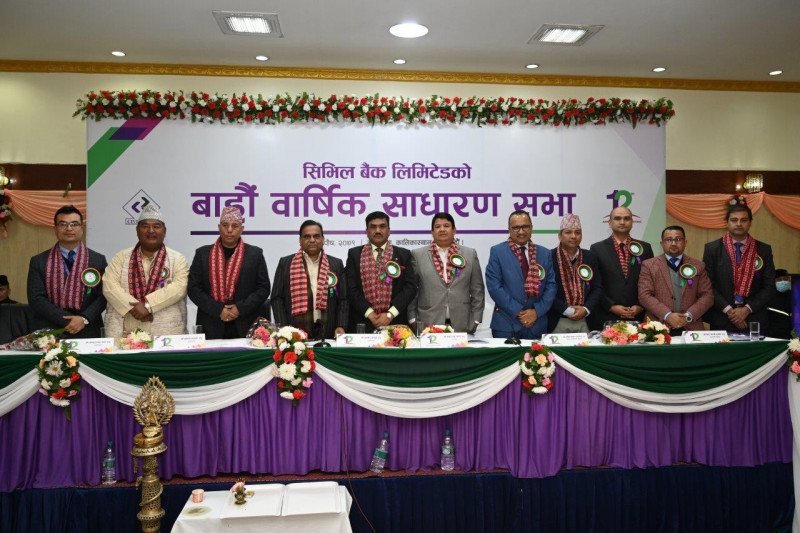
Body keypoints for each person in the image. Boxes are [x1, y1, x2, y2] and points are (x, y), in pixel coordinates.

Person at [103, 204, 189, 338]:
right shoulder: (121, 257)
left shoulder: (177, 259)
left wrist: (148, 306)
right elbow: (109, 286)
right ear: (137, 230)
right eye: (145, 226)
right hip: (124, 333)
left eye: (156, 226)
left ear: (164, 231)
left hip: (166, 333)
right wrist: (134, 307)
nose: (150, 230)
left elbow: (179, 288)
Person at [187, 206, 271, 339]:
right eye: (225, 225)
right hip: (211, 324)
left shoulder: (255, 254)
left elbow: (263, 288)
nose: (229, 230)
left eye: (235, 226)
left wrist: (240, 308)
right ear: (219, 227)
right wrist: (218, 310)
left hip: (247, 325)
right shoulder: (202, 254)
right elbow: (193, 289)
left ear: (242, 229)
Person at [26, 205, 107, 337]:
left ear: (82, 228)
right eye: (63, 224)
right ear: (55, 229)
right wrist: (67, 320)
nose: (69, 228)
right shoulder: (39, 261)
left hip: (88, 328)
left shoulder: (98, 260)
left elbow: (104, 295)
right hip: (51, 329)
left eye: (74, 224)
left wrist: (84, 319)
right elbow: (36, 299)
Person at [703, 203, 775, 333]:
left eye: (744, 220)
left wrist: (747, 309)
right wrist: (730, 311)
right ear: (727, 222)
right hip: (723, 318)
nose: (739, 224)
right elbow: (708, 285)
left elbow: (769, 286)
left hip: (754, 318)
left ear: (750, 222)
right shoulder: (712, 249)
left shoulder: (763, 250)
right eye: (734, 220)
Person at [408, 212, 485, 333]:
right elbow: (412, 289)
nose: (442, 229)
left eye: (446, 226)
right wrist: (412, 318)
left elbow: (477, 289)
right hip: (428, 322)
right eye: (438, 226)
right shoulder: (417, 255)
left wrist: (476, 319)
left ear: (454, 230)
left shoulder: (470, 254)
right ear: (432, 232)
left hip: (463, 323)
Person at [272, 220, 348, 339]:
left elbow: (343, 299)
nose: (312, 240)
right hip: (294, 333)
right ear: (300, 240)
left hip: (329, 331)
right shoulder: (285, 263)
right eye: (307, 236)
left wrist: (341, 325)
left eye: (316, 236)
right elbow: (277, 298)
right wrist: (284, 328)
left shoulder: (336, 264)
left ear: (323, 239)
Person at [486, 209, 556, 339]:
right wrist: (519, 311)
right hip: (506, 324)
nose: (521, 231)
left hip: (537, 323)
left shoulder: (544, 253)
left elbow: (551, 286)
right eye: (516, 228)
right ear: (509, 229)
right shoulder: (497, 252)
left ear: (531, 228)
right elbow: (494, 287)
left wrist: (536, 312)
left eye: (525, 226)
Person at [345, 211, 417, 332]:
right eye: (373, 227)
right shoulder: (354, 254)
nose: (378, 230)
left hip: (395, 322)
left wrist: (390, 314)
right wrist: (369, 313)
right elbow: (351, 288)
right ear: (367, 231)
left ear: (389, 231)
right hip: (363, 323)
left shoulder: (403, 254)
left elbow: (410, 287)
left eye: (382, 226)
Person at [638, 225, 713, 332]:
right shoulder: (649, 265)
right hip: (658, 326)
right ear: (662, 243)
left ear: (685, 242)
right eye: (669, 240)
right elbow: (644, 295)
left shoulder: (698, 266)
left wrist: (688, 316)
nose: (673, 243)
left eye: (678, 239)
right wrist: (667, 315)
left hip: (690, 326)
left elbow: (707, 296)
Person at [589, 206, 654, 329]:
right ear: (610, 222)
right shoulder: (597, 249)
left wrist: (640, 306)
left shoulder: (645, 248)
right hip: (606, 316)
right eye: (618, 218)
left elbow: (651, 282)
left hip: (638, 316)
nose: (622, 222)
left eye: (627, 218)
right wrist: (611, 306)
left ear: (632, 222)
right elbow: (594, 283)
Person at [547, 214, 603, 334]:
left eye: (577, 232)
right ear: (560, 236)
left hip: (586, 319)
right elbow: (546, 290)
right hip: (557, 319)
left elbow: (597, 288)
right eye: (568, 232)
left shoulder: (590, 257)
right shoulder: (548, 257)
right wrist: (566, 310)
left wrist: (586, 309)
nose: (573, 236)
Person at [766, 269, 793, 339]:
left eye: (785, 279)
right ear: (774, 281)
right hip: (772, 336)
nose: (783, 281)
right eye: (779, 280)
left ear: (789, 280)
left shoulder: (794, 295)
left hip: (791, 337)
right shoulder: (768, 297)